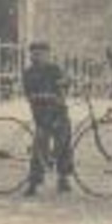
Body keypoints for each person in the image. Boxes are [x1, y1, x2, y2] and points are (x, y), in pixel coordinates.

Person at [22, 41, 73, 195]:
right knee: (40, 144)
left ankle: (63, 177)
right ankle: (34, 181)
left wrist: (66, 83)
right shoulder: (29, 73)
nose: (37, 57)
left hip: (58, 112)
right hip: (42, 113)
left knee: (64, 140)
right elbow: (29, 95)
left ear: (47, 55)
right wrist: (44, 97)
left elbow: (64, 85)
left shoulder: (54, 69)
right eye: (34, 54)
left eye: (41, 54)